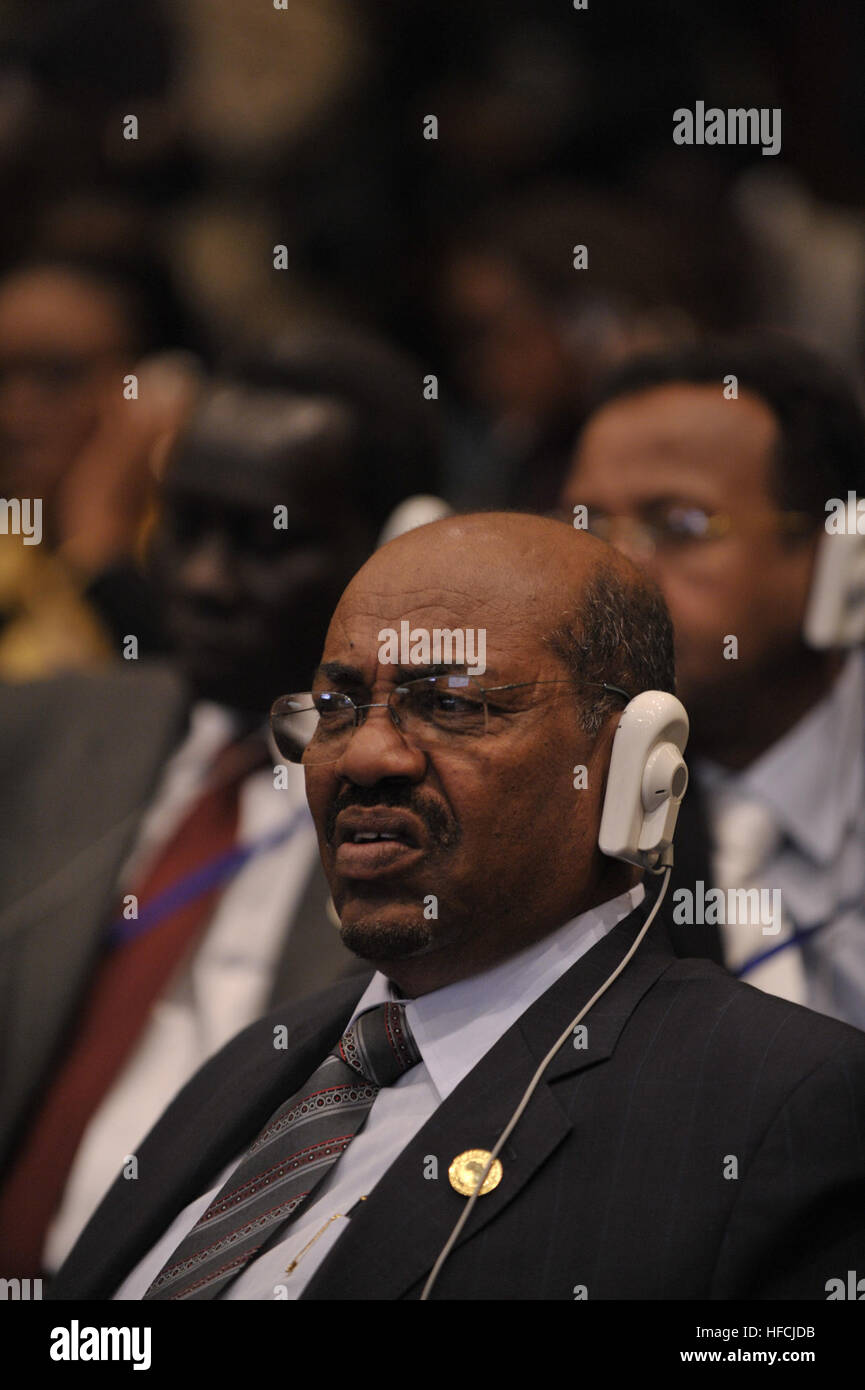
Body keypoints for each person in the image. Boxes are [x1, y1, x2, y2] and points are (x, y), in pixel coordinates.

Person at [51, 513, 865, 1301]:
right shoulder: (256, 1066)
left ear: (631, 766)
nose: (365, 755)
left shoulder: (776, 1105)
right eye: (336, 708)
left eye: (448, 704)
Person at [0, 327, 442, 1278]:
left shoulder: (437, 811)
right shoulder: (35, 735)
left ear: (396, 546)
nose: (201, 580)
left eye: (261, 541)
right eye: (183, 526)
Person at [560, 336, 865, 1028]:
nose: (617, 573)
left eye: (679, 525)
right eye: (585, 526)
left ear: (843, 557)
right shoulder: (551, 790)